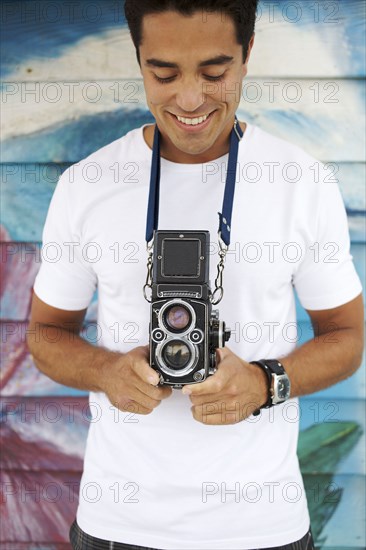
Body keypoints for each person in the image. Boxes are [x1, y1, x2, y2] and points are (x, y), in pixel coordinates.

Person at [27, 1, 364, 549]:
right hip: (118, 527)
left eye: (215, 73)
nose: (189, 99)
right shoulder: (85, 184)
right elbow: (44, 337)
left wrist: (264, 383)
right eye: (163, 74)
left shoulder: (303, 182)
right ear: (137, 60)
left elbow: (348, 339)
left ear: (247, 55)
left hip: (264, 528)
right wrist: (108, 372)